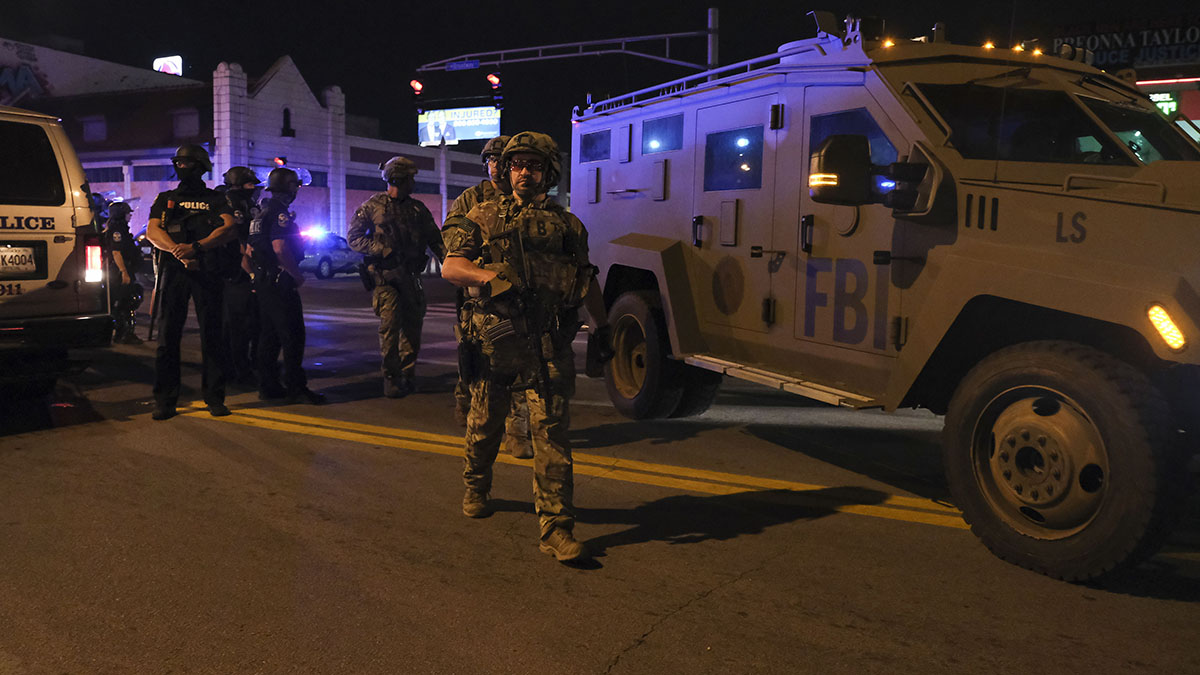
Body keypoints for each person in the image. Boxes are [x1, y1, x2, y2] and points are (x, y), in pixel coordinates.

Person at [441, 131, 612, 562]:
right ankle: (476, 484)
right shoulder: (481, 215)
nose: (523, 172)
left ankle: (556, 528)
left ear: (549, 172)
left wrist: (603, 327)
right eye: (516, 164)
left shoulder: (568, 225)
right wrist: (491, 280)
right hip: (497, 339)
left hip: (548, 343)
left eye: (533, 166)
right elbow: (451, 267)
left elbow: (586, 279)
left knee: (551, 434)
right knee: (485, 426)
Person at [446, 135, 533, 459]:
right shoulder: (473, 199)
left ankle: (517, 431)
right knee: (477, 358)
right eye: (492, 160)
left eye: (502, 160)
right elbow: (451, 243)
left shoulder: (523, 198)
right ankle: (466, 401)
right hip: (478, 295)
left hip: (515, 296)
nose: (497, 166)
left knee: (522, 362)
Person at [144, 144, 238, 420]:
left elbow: (229, 228)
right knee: (167, 336)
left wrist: (196, 248)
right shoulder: (166, 198)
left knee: (213, 336)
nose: (183, 168)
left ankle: (214, 397)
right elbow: (152, 231)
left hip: (207, 270)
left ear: (200, 167)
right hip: (175, 271)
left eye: (188, 163)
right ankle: (165, 400)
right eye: (179, 163)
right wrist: (180, 252)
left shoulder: (215, 199)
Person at [347, 156, 445, 398]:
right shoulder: (372, 207)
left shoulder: (417, 208)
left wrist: (450, 262)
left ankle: (408, 374)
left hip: (411, 277)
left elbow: (435, 239)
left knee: (413, 328)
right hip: (386, 278)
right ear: (397, 179)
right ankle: (391, 376)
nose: (413, 183)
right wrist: (381, 249)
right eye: (409, 178)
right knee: (390, 329)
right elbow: (354, 238)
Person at [247, 167, 326, 405]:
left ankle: (268, 386)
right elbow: (280, 247)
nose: (297, 191)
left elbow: (250, 249)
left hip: (264, 280)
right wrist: (295, 273)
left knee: (269, 336)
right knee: (293, 335)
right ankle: (296, 387)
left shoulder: (261, 212)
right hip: (280, 280)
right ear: (288, 188)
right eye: (295, 186)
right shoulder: (279, 213)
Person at [220, 166, 262, 388]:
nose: (253, 188)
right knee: (237, 326)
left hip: (245, 272)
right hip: (235, 273)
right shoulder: (232, 203)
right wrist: (252, 272)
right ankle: (237, 371)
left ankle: (246, 367)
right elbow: (239, 243)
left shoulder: (247, 203)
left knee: (250, 324)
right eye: (249, 184)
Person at [103, 200, 145, 345]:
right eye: (128, 213)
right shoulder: (117, 230)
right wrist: (124, 272)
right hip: (119, 271)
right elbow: (116, 252)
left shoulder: (121, 228)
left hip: (124, 270)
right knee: (126, 302)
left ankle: (123, 333)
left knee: (127, 300)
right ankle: (124, 333)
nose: (130, 216)